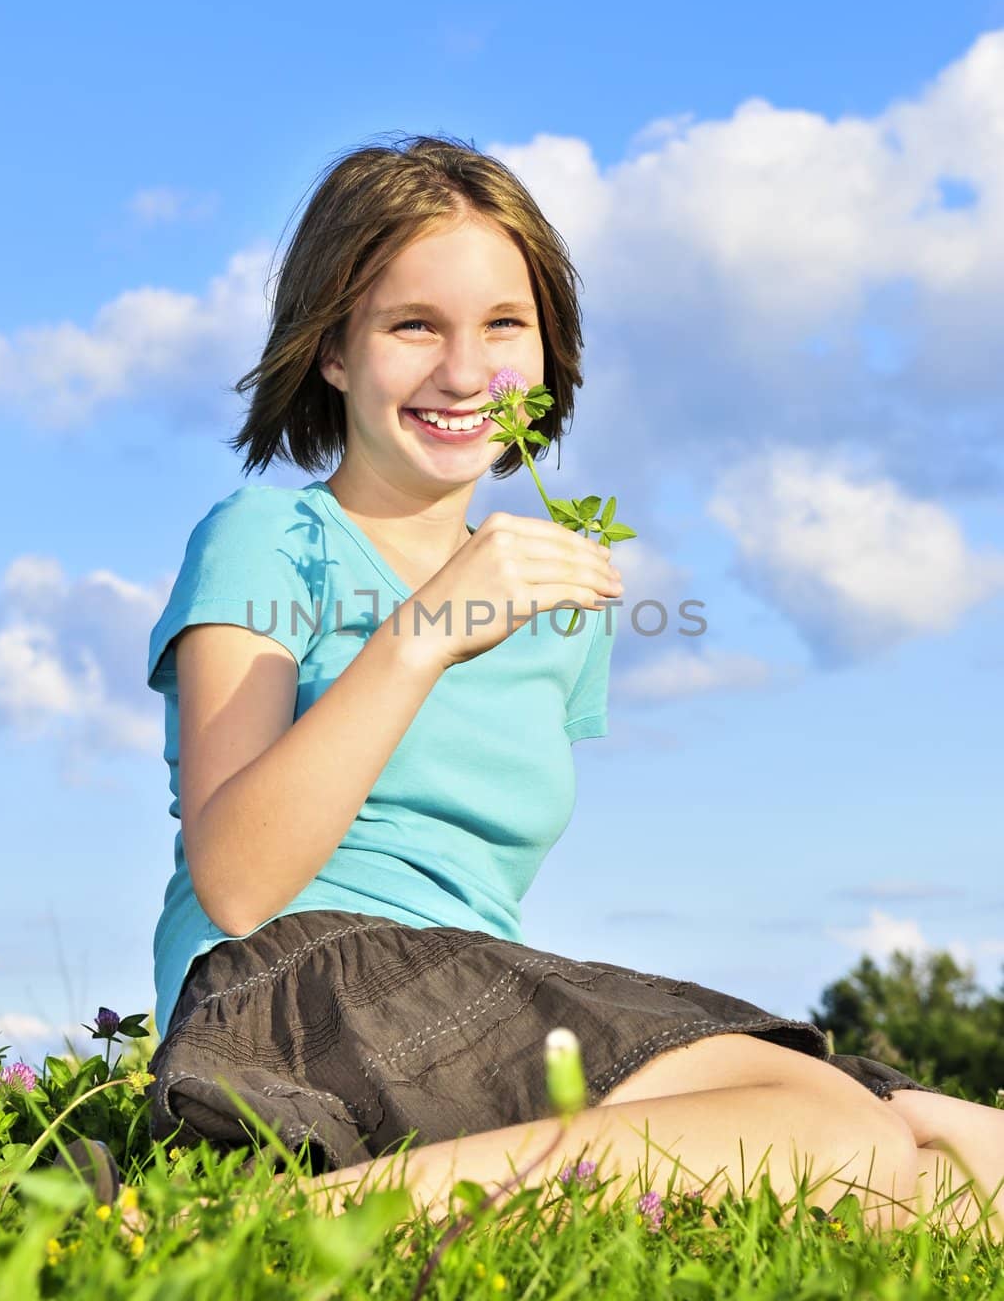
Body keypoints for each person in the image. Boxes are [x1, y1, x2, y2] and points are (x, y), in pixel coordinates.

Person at [142, 133, 1004, 1241]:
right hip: (299, 986)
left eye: (505, 324)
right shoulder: (269, 539)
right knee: (834, 1134)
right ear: (335, 354)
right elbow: (238, 880)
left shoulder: (555, 596)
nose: (466, 371)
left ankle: (441, 1199)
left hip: (468, 995)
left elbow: (469, 911)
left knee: (971, 1161)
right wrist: (422, 635)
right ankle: (260, 1233)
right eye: (414, 325)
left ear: (549, 351)